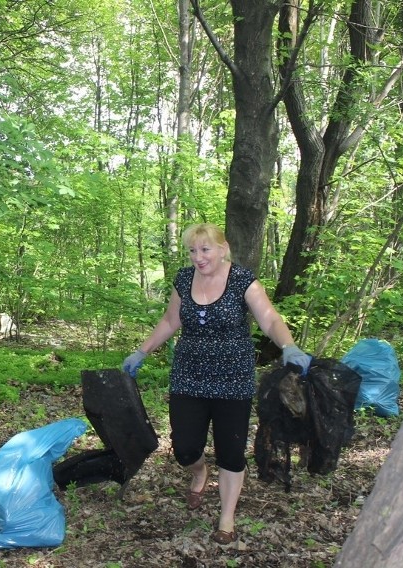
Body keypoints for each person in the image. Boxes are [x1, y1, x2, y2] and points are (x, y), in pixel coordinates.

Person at [122, 223, 311, 545]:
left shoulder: (242, 280)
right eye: (193, 250)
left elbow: (269, 319)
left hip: (233, 380)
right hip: (188, 377)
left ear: (223, 249)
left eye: (205, 249)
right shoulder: (183, 279)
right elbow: (171, 321)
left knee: (231, 452)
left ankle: (226, 518)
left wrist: (288, 345)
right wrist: (141, 351)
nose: (198, 257)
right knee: (184, 449)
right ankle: (198, 472)